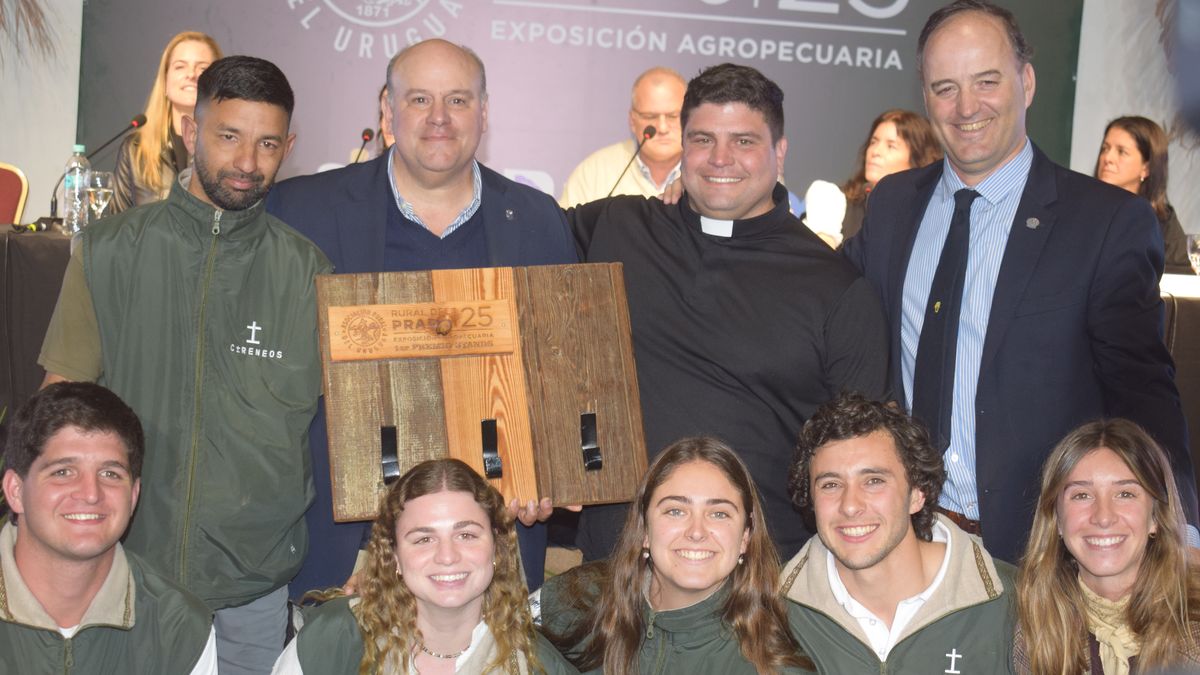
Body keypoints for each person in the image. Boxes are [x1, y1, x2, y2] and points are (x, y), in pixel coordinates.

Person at [842, 0, 1199, 564]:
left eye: (987, 81)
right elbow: (827, 302)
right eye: (945, 88)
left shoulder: (1104, 223)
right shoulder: (890, 206)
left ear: (1026, 82)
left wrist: (1182, 528)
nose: (966, 107)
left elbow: (1144, 393)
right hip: (904, 548)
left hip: (1038, 557)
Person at [39, 56, 331, 675]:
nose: (248, 163)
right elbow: (58, 412)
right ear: (191, 132)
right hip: (126, 578)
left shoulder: (310, 276)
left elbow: (352, 433)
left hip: (255, 590)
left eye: (268, 143)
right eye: (229, 137)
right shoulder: (109, 254)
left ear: (290, 147)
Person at [266, 39, 576, 597]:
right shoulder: (298, 212)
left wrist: (549, 468)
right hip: (342, 558)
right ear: (387, 112)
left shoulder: (536, 220)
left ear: (484, 113)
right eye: (419, 100)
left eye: (458, 100)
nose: (439, 118)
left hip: (491, 558)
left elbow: (560, 373)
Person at [569, 62, 889, 562]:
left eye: (743, 141)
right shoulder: (619, 228)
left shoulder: (835, 287)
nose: (721, 159)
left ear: (779, 152)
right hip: (620, 571)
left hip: (763, 580)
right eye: (702, 140)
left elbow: (864, 453)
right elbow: (504, 238)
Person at [271, 458, 576, 674]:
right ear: (394, 557)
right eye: (423, 539)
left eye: (466, 534)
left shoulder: (538, 666)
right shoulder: (336, 639)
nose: (447, 555)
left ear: (497, 547)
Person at [783, 391, 1016, 672]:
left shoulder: (1016, 602)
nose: (850, 506)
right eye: (831, 484)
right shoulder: (771, 612)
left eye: (873, 481)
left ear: (917, 494)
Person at [537, 436, 812, 674]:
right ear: (644, 528)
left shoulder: (773, 664)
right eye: (676, 511)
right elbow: (501, 639)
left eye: (719, 514)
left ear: (745, 537)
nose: (696, 531)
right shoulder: (578, 595)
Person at [0, 382, 216, 674]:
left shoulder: (175, 627)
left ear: (134, 495)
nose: (91, 493)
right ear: (15, 490)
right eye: (63, 472)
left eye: (110, 473)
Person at [1014, 419, 1200, 673]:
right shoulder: (1030, 626)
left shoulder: (1194, 627)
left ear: (1156, 516)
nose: (1103, 517)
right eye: (1082, 495)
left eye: (1125, 494)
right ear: (1056, 520)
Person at [112, 31, 222, 214]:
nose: (191, 75)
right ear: (165, 81)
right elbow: (117, 227)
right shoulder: (135, 149)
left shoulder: (231, 150)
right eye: (180, 67)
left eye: (202, 68)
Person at [558, 67, 687, 207]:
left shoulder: (705, 171)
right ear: (632, 121)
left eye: (673, 116)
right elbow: (563, 227)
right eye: (650, 117)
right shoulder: (595, 170)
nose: (662, 128)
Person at [1094, 115, 1192, 275]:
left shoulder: (1162, 220)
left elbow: (1183, 274)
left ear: (1146, 168)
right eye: (1105, 148)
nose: (1107, 158)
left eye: (1121, 152)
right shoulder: (1082, 208)